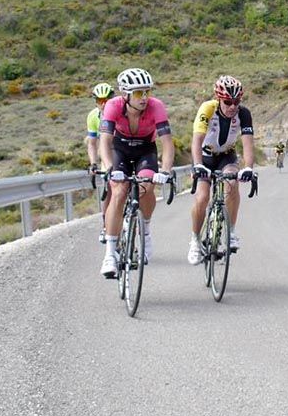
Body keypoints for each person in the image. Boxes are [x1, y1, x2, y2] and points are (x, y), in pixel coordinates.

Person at [97, 68, 175, 277]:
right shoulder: (113, 106)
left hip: (145, 150)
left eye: (147, 92)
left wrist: (166, 171)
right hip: (119, 149)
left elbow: (167, 144)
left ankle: (145, 230)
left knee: (147, 186)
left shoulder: (156, 107)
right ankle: (110, 255)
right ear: (125, 94)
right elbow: (104, 141)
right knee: (119, 192)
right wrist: (108, 167)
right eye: (139, 93)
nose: (144, 98)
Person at [188, 75, 256, 264]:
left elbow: (248, 145)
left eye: (236, 102)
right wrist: (197, 164)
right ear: (219, 99)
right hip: (206, 157)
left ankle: (231, 231)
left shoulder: (243, 114)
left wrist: (249, 168)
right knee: (202, 198)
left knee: (232, 183)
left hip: (227, 156)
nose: (232, 106)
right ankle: (194, 240)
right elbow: (197, 139)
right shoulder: (207, 109)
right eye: (228, 102)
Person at [85, 82, 114, 243]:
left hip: (122, 149)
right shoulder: (93, 116)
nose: (103, 104)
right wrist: (93, 163)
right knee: (109, 188)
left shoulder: (120, 112)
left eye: (107, 100)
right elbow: (92, 143)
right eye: (99, 101)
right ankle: (105, 226)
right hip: (107, 152)